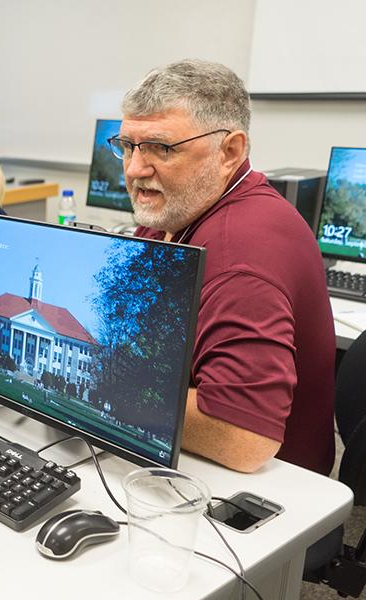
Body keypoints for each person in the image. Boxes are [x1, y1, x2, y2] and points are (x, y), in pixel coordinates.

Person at [112, 59, 335, 474]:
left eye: (162, 148)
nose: (134, 169)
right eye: (127, 145)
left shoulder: (240, 256)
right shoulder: (177, 211)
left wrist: (104, 386)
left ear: (230, 151)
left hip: (261, 501)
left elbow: (241, 438)